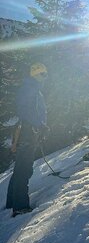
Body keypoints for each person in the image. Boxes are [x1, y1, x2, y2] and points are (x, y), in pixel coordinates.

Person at [6, 63, 48, 217]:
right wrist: (39, 124)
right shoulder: (30, 89)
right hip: (27, 132)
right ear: (35, 74)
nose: (45, 77)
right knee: (24, 168)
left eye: (45, 74)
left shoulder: (32, 89)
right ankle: (20, 206)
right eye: (42, 74)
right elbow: (25, 111)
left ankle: (12, 201)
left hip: (28, 131)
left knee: (21, 167)